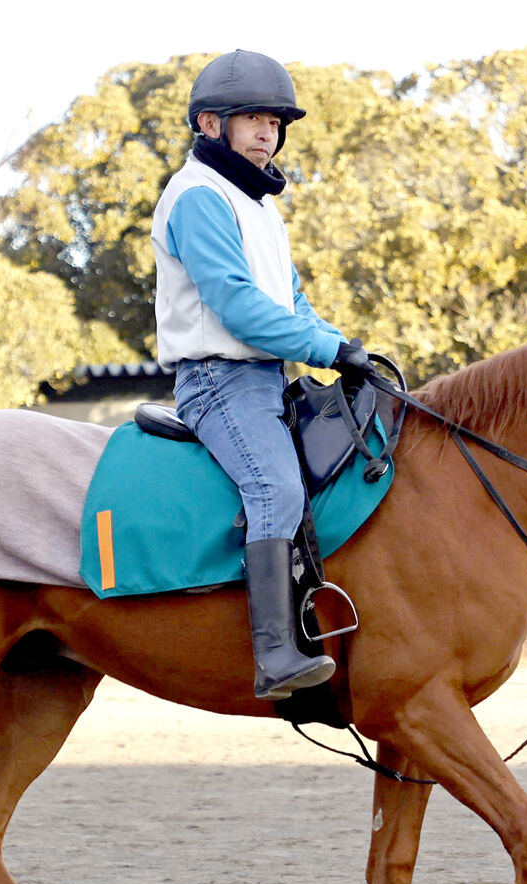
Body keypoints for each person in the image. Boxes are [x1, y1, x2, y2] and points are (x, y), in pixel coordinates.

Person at [151, 48, 378, 700]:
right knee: (277, 490)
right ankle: (277, 655)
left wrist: (342, 344)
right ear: (210, 124)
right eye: (251, 118)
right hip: (218, 382)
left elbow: (290, 304)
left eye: (274, 123)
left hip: (266, 376)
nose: (266, 133)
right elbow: (239, 306)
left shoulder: (261, 207)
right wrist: (329, 351)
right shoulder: (198, 197)